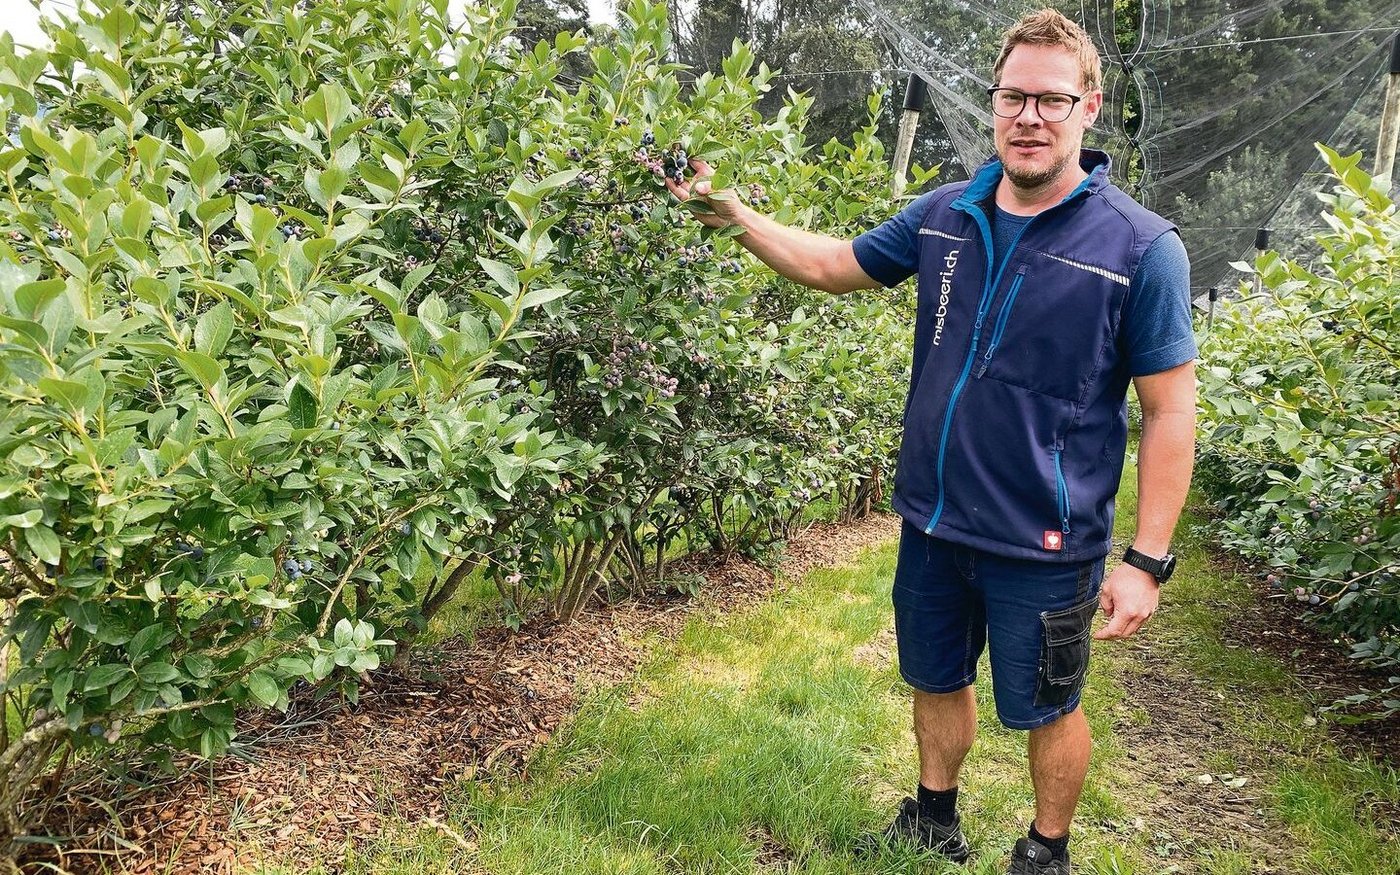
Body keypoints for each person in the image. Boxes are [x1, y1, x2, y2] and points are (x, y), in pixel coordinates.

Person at [667, 7, 1196, 874]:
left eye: (1052, 101)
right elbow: (836, 264)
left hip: (1046, 540)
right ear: (994, 104)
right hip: (935, 520)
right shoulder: (948, 212)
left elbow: (1171, 410)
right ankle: (933, 820)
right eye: (1013, 97)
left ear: (1089, 108)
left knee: (1047, 706)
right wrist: (735, 217)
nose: (1029, 117)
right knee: (935, 676)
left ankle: (1046, 848)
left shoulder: (1141, 250)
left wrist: (1146, 560)